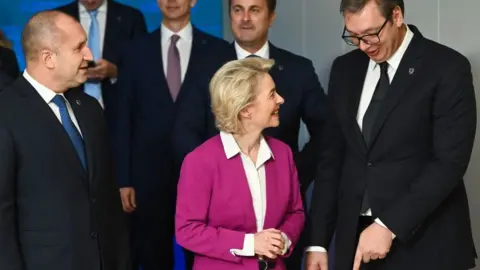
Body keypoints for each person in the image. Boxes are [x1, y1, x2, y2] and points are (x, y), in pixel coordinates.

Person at [306, 0, 477, 270]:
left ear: (396, 16)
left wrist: (389, 225)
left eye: (372, 33)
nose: (364, 45)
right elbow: (332, 158)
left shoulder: (447, 67)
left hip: (426, 244)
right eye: (354, 36)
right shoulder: (344, 69)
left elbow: (449, 163)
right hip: (356, 245)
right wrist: (318, 242)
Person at [0, 10, 130, 270]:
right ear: (48, 58)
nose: (90, 56)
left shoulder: (89, 108)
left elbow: (106, 198)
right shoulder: (6, 112)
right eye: (79, 47)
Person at [110, 0, 230, 269]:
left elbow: (225, 117)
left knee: (204, 255)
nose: (172, 1)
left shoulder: (219, 51)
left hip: (205, 175)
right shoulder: (134, 50)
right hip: (147, 177)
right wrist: (123, 179)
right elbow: (123, 117)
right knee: (151, 255)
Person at [216, 1, 328, 268]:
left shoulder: (298, 69)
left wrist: (292, 174)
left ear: (271, 17)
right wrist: (213, 177)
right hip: (221, 214)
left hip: (281, 215)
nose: (244, 18)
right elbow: (186, 129)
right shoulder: (205, 63)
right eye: (237, 9)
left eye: (254, 10)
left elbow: (326, 133)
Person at [175, 57, 305, 270]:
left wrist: (283, 238)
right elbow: (187, 231)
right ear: (245, 109)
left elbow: (296, 212)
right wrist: (250, 243)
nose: (280, 99)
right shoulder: (199, 161)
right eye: (272, 94)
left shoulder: (283, 154)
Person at [57, 0, 147, 114]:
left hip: (119, 111)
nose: (90, 1)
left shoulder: (131, 17)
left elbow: (143, 68)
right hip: (69, 107)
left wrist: (115, 72)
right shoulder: (58, 17)